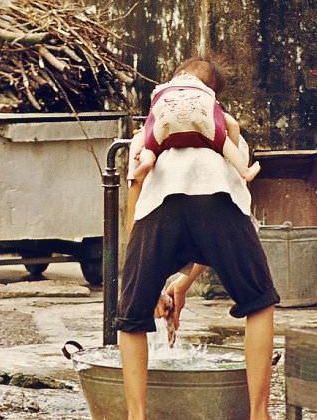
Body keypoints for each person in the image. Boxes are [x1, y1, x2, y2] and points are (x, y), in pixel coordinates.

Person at [117, 55, 279, 420]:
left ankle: (135, 416)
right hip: (219, 200)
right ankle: (259, 414)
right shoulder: (226, 132)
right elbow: (224, 226)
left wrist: (147, 279)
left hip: (158, 207)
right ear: (213, 98)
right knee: (259, 301)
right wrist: (187, 280)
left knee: (131, 318)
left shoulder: (147, 132)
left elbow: (137, 196)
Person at [133, 59, 261, 182]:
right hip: (201, 124)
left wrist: (145, 132)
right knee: (224, 143)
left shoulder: (162, 89)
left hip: (165, 122)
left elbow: (153, 117)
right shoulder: (206, 94)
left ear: (181, 74)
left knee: (149, 146)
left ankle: (147, 160)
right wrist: (230, 148)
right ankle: (245, 172)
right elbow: (233, 125)